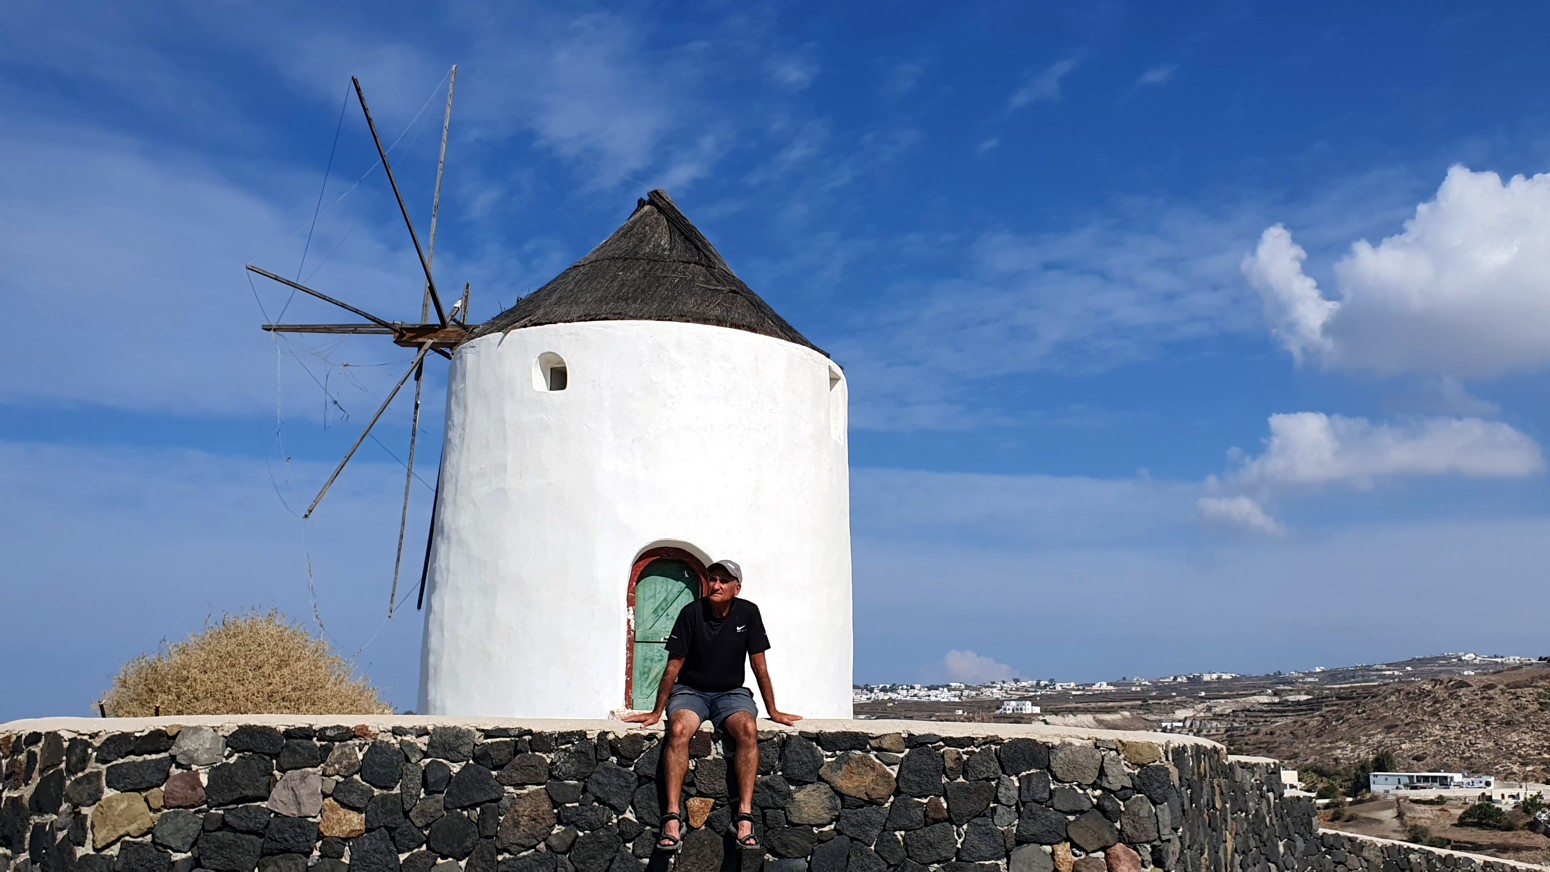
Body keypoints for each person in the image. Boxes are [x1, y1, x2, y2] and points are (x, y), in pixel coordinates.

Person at [622, 559, 801, 852]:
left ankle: (744, 818)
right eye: (713, 579)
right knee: (679, 729)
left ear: (736, 588)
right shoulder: (691, 613)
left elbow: (759, 666)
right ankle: (672, 817)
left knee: (748, 728)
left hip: (731, 693)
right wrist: (657, 711)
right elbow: (673, 666)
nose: (716, 585)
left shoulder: (748, 613)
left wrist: (773, 710)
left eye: (723, 581)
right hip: (691, 691)